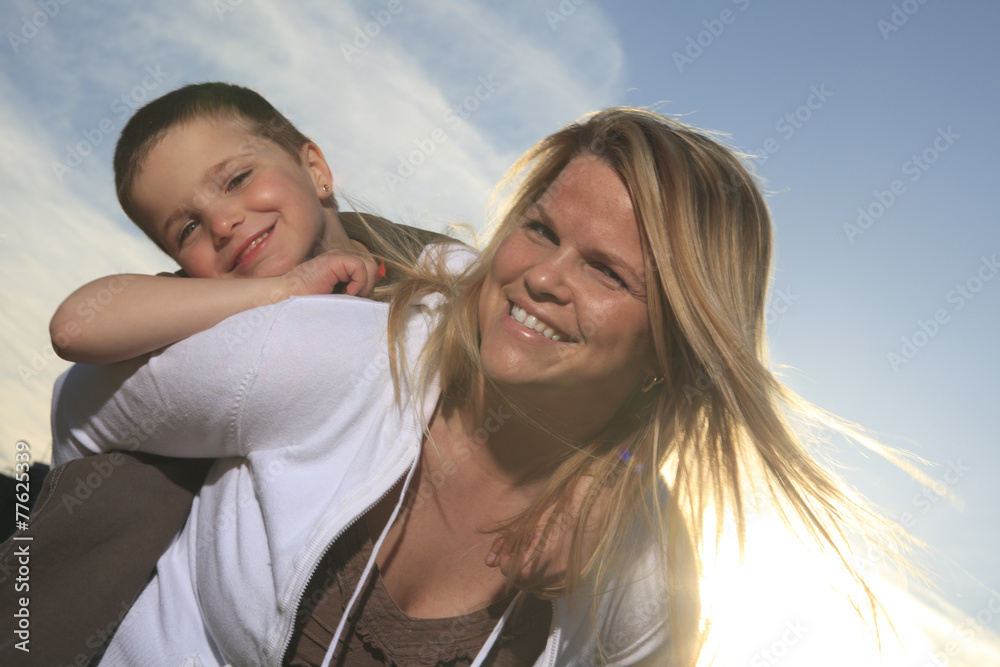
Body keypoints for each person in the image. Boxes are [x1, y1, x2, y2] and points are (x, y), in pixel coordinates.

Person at [43, 106, 916, 666]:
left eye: (609, 272)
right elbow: (88, 401)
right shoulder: (328, 344)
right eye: (538, 230)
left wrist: (610, 461)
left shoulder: (647, 571)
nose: (543, 277)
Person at [0, 83, 454, 664]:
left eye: (237, 179)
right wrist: (283, 289)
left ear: (314, 168)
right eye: (185, 229)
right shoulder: (207, 303)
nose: (222, 223)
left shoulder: (421, 273)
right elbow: (73, 327)